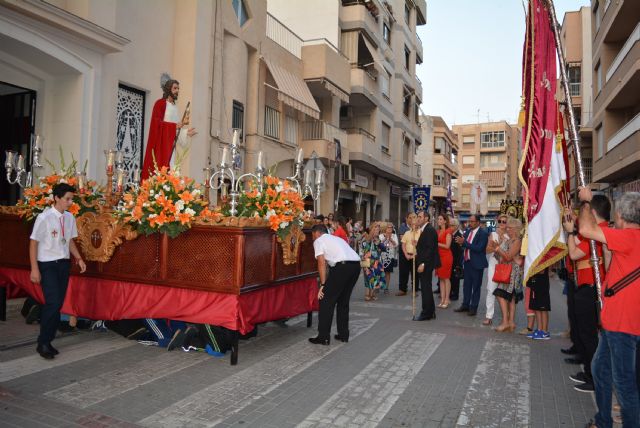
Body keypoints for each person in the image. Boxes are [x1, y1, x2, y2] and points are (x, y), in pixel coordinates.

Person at [576, 188, 640, 428]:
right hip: (619, 321)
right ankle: (603, 421)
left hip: (622, 324)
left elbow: (585, 229)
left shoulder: (629, 237)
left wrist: (586, 201)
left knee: (624, 384)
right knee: (600, 369)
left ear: (620, 215)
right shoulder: (630, 240)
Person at [29, 183, 87, 359]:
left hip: (63, 264)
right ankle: (43, 343)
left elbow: (69, 241)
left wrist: (78, 258)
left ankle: (48, 341)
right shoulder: (44, 218)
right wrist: (34, 269)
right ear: (56, 198)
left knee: (58, 304)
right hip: (47, 264)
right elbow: (33, 243)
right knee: (53, 303)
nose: (70, 202)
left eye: (71, 199)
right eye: (67, 199)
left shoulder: (69, 217)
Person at [562, 194, 611, 392]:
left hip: (591, 288)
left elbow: (574, 254)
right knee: (585, 333)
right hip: (586, 285)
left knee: (589, 336)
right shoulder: (597, 232)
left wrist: (570, 232)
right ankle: (589, 371)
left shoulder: (598, 233)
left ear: (592, 213)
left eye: (583, 213)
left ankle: (594, 377)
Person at [308, 224, 361, 345]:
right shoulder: (336, 239)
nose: (312, 238)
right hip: (355, 266)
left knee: (325, 300)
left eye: (312, 235)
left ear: (317, 233)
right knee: (343, 301)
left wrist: (323, 285)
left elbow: (321, 263)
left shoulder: (319, 241)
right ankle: (343, 335)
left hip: (342, 267)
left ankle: (323, 337)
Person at [141, 76, 196, 179]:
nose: (177, 91)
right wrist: (175, 126)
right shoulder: (160, 104)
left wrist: (185, 133)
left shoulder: (174, 107)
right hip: (160, 146)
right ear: (168, 89)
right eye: (175, 88)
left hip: (170, 146)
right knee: (159, 172)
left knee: (170, 172)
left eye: (178, 88)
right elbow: (156, 125)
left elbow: (175, 130)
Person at [492, 217, 524, 333]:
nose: (507, 229)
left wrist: (498, 249)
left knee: (500, 294)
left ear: (516, 229)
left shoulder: (517, 241)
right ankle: (511, 322)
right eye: (508, 227)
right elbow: (501, 257)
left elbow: (509, 257)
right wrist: (497, 249)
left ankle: (505, 322)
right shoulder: (508, 240)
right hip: (507, 271)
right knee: (511, 298)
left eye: (510, 228)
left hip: (513, 273)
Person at [454, 214, 489, 316]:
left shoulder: (483, 233)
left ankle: (473, 307)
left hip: (477, 263)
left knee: (476, 287)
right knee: (466, 285)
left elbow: (479, 248)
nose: (470, 223)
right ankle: (465, 305)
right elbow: (464, 245)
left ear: (478, 222)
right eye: (469, 221)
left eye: (472, 221)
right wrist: (460, 243)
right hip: (467, 262)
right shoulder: (468, 231)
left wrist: (464, 243)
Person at [414, 211, 440, 321]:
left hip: (426, 264)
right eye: (417, 217)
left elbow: (430, 249)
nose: (418, 219)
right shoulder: (425, 229)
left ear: (426, 218)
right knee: (427, 288)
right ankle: (431, 311)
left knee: (425, 289)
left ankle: (426, 313)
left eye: (420, 217)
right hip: (425, 262)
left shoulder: (429, 230)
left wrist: (423, 264)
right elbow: (425, 246)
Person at [484, 214, 508, 325]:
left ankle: (506, 318)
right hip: (494, 263)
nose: (502, 223)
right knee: (491, 289)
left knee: (505, 291)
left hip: (506, 265)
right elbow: (486, 250)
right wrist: (495, 248)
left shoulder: (510, 235)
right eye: (500, 221)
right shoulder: (493, 234)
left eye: (504, 221)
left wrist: (500, 245)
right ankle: (489, 316)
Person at [359, 222, 386, 301]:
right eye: (375, 229)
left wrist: (378, 243)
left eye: (378, 229)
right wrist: (371, 239)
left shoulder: (378, 239)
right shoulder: (366, 238)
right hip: (367, 261)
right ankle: (367, 294)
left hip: (376, 261)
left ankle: (372, 294)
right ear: (372, 230)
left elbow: (384, 248)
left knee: (376, 277)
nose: (377, 231)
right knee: (368, 277)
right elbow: (363, 247)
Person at [436, 214, 453, 308]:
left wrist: (436, 243)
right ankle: (442, 299)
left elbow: (447, 246)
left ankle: (447, 299)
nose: (438, 220)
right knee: (441, 278)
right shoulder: (438, 231)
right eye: (438, 219)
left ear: (445, 221)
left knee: (446, 278)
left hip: (446, 257)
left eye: (440, 219)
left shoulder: (448, 231)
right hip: (439, 256)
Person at [380, 222, 399, 294]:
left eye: (391, 227)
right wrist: (385, 238)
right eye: (388, 227)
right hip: (382, 256)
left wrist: (391, 239)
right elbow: (379, 244)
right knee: (380, 271)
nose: (390, 229)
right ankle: (378, 285)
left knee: (388, 272)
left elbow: (396, 244)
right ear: (385, 228)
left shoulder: (394, 235)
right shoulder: (381, 235)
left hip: (390, 256)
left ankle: (386, 287)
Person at [449, 218, 464, 301]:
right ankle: (451, 292)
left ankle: (455, 294)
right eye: (450, 225)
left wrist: (458, 262)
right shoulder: (451, 234)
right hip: (451, 259)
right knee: (451, 277)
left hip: (456, 260)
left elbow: (460, 250)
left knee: (455, 278)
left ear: (456, 226)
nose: (450, 227)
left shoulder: (458, 235)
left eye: (452, 225)